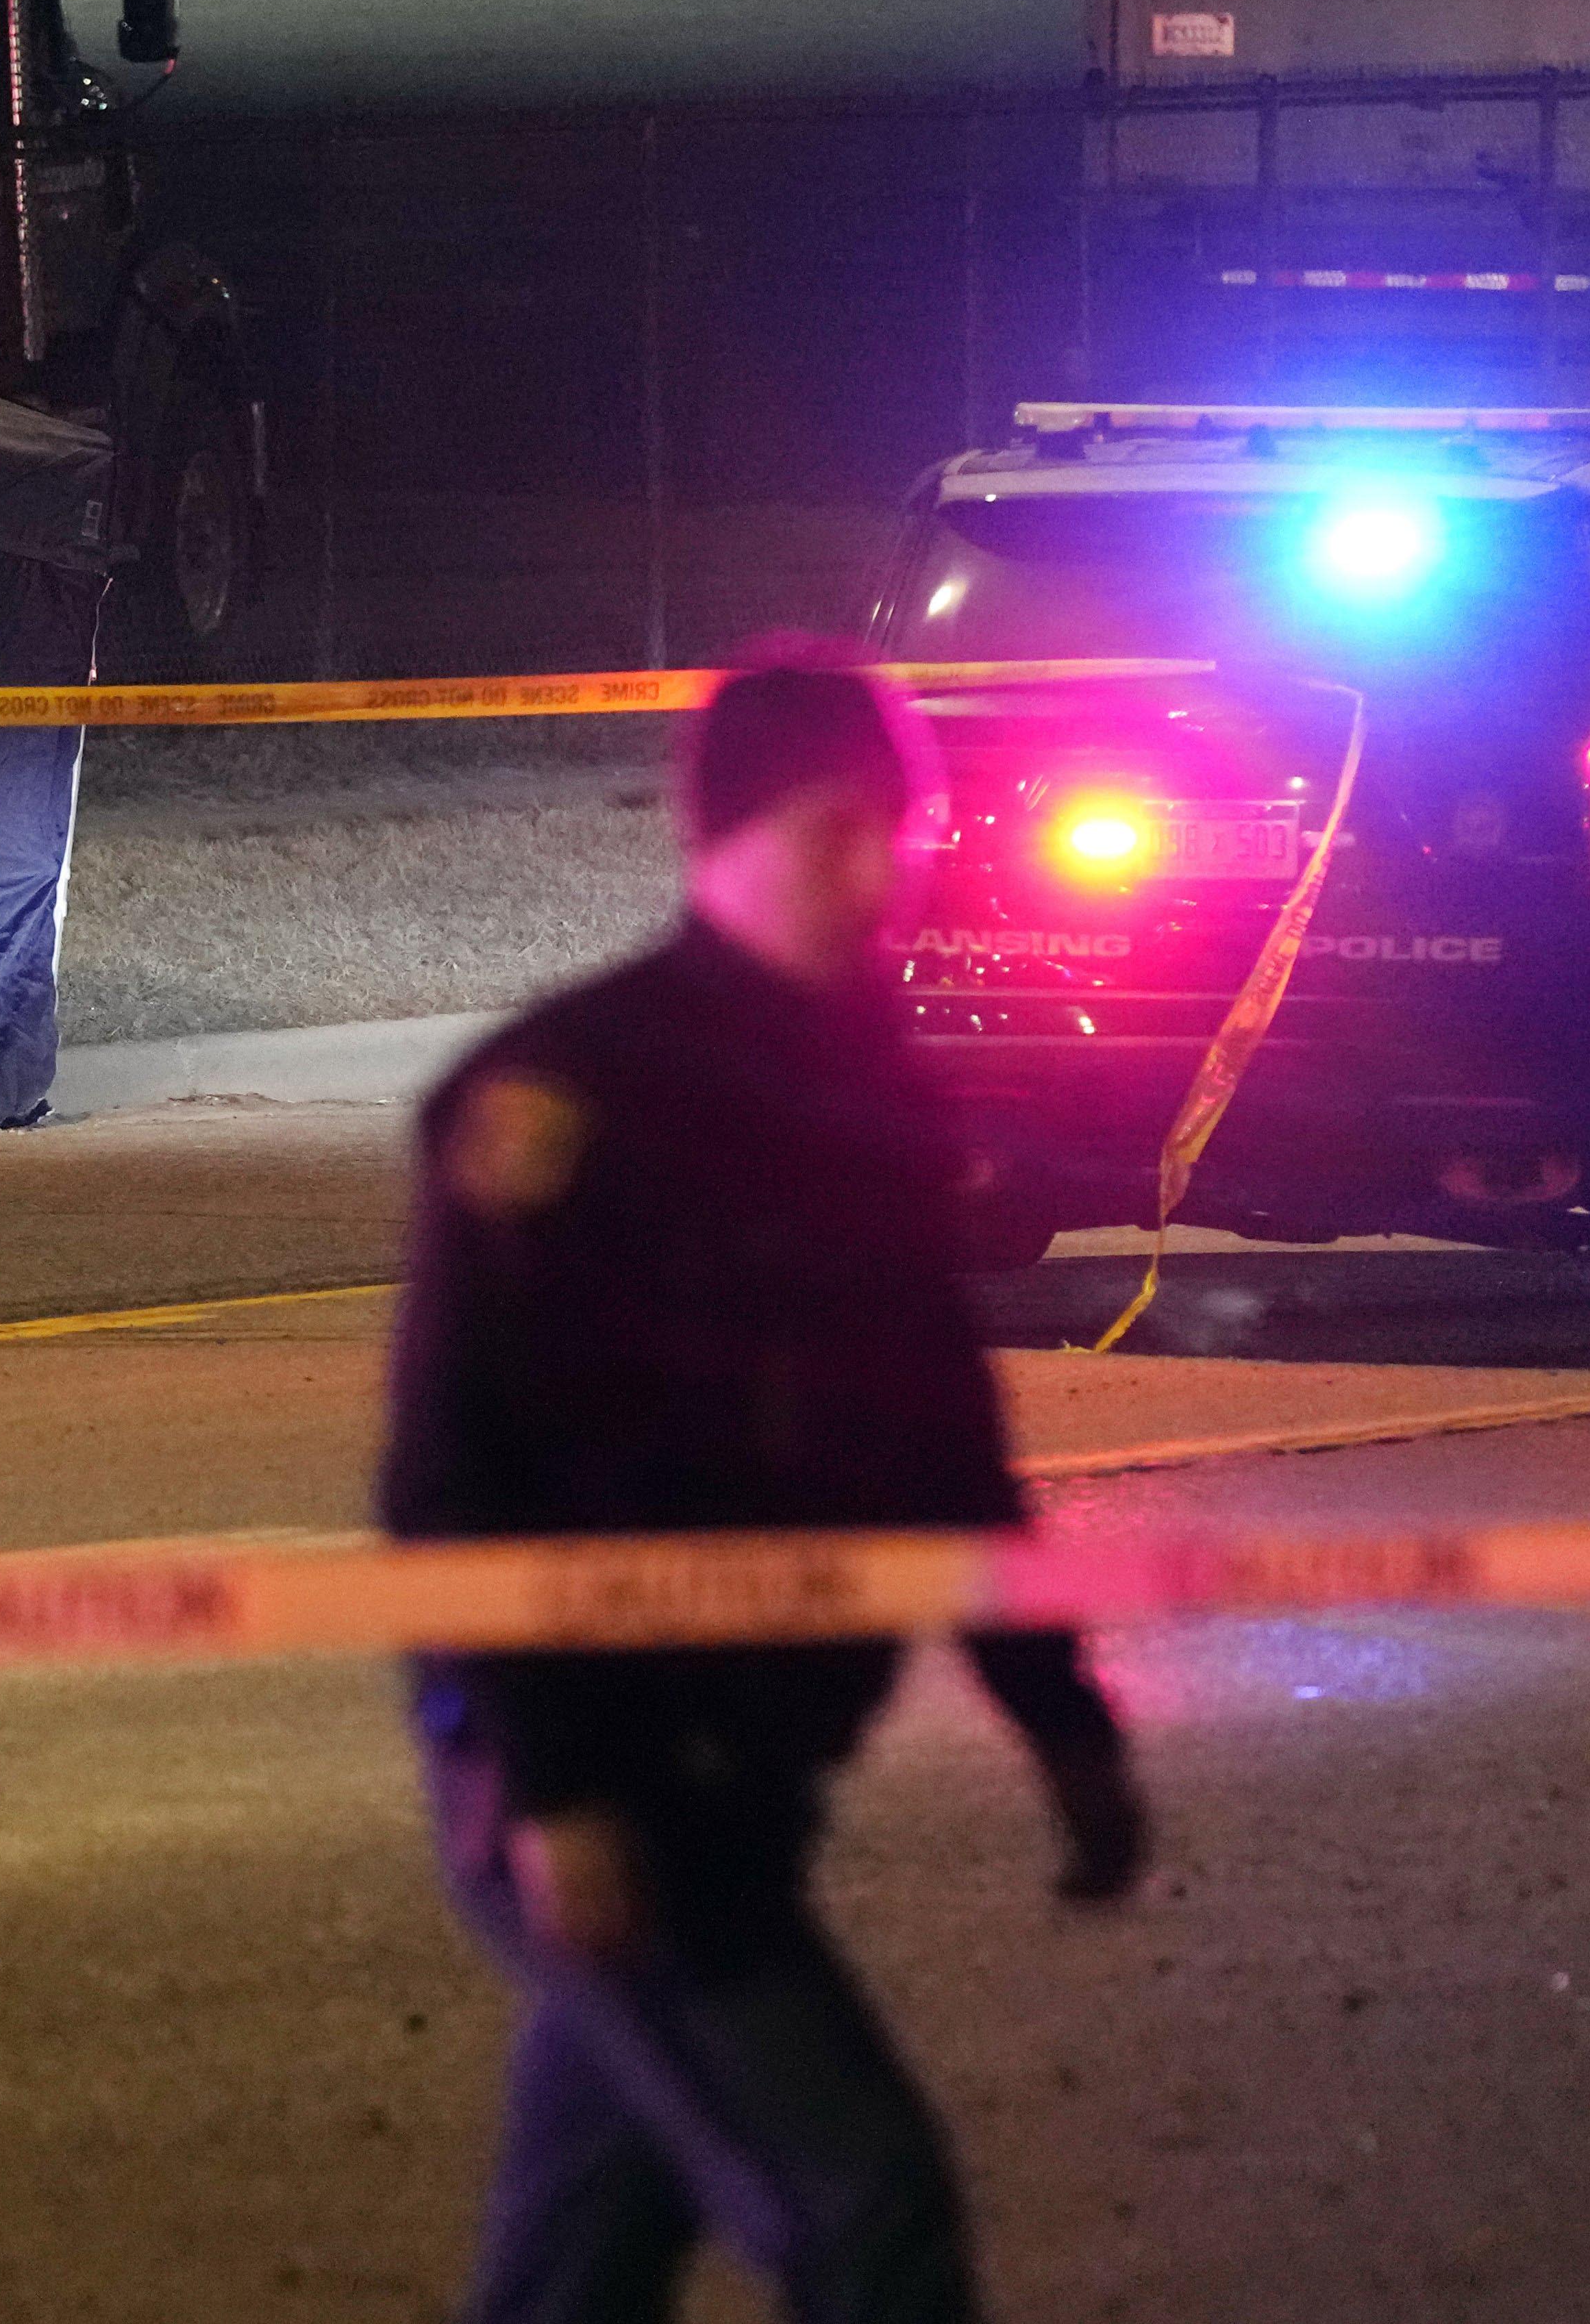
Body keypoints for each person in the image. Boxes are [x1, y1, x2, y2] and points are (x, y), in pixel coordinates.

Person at [380, 645, 1147, 2324]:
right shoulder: (569, 1097)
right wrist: (561, 1786)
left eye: (904, 832)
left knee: (585, 2253)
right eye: (833, 832)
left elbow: (941, 1443)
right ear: (716, 834)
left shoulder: (869, 1097)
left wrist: (1061, 1717)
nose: (881, 876)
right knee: (867, 2203)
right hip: (601, 1764)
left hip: (749, 1762)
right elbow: (455, 1474)